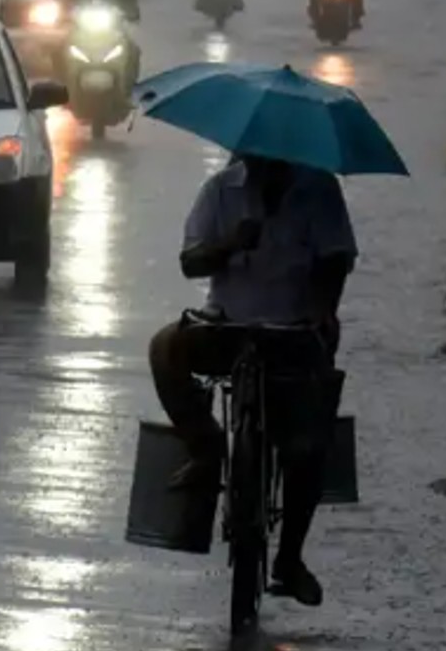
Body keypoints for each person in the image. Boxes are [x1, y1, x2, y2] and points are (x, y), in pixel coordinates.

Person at [148, 153, 359, 608]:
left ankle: (290, 557)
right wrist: (229, 244)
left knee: (307, 444)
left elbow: (338, 258)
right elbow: (191, 261)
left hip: (294, 333)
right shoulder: (220, 190)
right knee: (165, 348)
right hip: (227, 326)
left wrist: (322, 310)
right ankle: (207, 451)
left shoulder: (319, 189)